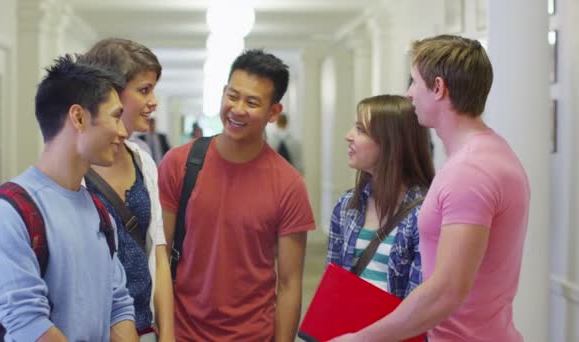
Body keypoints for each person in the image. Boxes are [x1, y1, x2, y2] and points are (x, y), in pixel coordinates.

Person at [330, 35, 530, 342]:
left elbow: (446, 292)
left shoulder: (469, 172)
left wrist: (361, 339)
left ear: (438, 88)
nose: (409, 94)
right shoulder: (489, 154)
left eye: (414, 82)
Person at [0, 55, 138, 341]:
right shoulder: (8, 213)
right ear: (78, 117)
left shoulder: (99, 211)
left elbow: (118, 306)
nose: (124, 132)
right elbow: (28, 325)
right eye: (115, 117)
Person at [158, 49, 315, 341]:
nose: (238, 109)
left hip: (253, 334)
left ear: (273, 112)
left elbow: (290, 284)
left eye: (252, 102)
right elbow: (160, 255)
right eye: (232, 96)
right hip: (183, 332)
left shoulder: (289, 184)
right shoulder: (179, 164)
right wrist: (165, 334)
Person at [82, 38, 174, 340]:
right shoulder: (77, 170)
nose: (154, 101)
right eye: (144, 90)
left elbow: (158, 252)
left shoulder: (143, 160)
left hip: (144, 326)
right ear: (111, 93)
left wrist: (168, 334)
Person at [326, 95, 434, 299]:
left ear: (390, 142)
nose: (348, 136)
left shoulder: (424, 213)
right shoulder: (347, 205)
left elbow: (420, 301)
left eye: (360, 130)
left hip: (395, 330)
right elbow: (332, 288)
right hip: (348, 329)